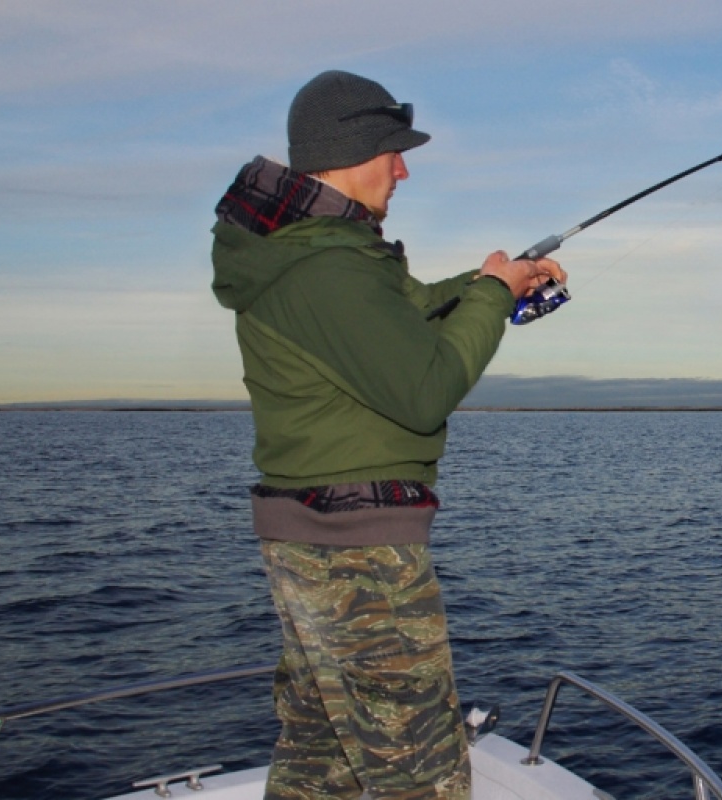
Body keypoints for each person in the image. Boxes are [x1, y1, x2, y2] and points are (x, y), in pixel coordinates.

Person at [210, 69, 565, 800]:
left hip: (314, 538)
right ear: (350, 149)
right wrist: (494, 296)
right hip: (356, 553)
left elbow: (403, 317)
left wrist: (497, 280)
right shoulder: (326, 266)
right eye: (392, 152)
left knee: (321, 760)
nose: (403, 169)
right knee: (420, 774)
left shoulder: (320, 252)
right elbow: (424, 388)